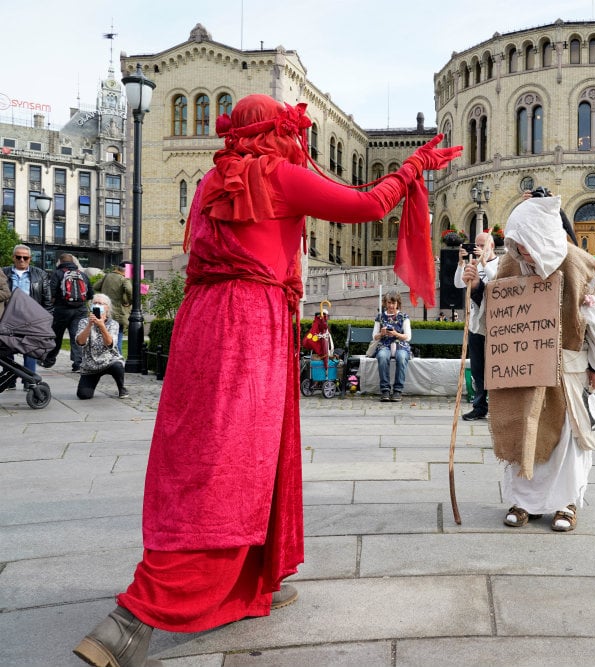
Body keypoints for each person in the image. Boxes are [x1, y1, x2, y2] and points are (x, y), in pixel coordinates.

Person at [73, 95, 460, 667]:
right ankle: (134, 618)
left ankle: (261, 574)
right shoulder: (281, 176)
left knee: (207, 450)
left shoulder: (210, 181)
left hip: (201, 322)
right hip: (249, 323)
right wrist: (413, 166)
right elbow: (367, 205)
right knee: (231, 459)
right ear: (276, 131)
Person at [486, 196, 595, 533]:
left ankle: (566, 503)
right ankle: (524, 501)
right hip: (525, 366)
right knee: (522, 430)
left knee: (564, 442)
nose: (523, 253)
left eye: (527, 245)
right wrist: (475, 286)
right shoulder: (509, 265)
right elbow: (492, 316)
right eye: (517, 245)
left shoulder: (578, 266)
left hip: (568, 372)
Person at [455, 231, 499, 420]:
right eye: (477, 245)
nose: (479, 248)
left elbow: (498, 283)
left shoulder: (500, 264)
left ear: (492, 246)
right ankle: (479, 405)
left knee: (496, 368)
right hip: (476, 324)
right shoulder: (472, 263)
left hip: (496, 325)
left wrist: (483, 264)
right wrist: (461, 264)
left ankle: (498, 406)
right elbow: (459, 284)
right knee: (478, 367)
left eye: (483, 245)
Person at [3, 244, 53, 386]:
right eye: (18, 257)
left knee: (30, 349)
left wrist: (47, 322)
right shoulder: (4, 273)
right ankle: (9, 381)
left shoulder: (40, 274)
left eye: (25, 257)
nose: (22, 260)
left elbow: (47, 300)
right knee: (6, 349)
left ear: (30, 259)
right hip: (8, 316)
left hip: (31, 318)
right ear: (13, 257)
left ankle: (29, 380)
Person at [41, 252, 93, 372]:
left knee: (56, 336)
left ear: (60, 262)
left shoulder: (58, 273)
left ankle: (49, 360)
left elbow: (51, 292)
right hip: (80, 310)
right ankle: (78, 363)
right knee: (77, 336)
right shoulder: (82, 275)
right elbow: (90, 294)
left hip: (61, 310)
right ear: (74, 262)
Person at [74, 293, 128, 399]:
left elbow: (110, 344)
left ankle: (121, 387)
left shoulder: (113, 324)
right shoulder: (84, 322)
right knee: (83, 395)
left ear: (107, 308)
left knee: (117, 366)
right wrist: (90, 324)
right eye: (95, 303)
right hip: (90, 365)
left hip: (109, 361)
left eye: (101, 303)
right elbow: (80, 342)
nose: (97, 305)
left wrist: (102, 325)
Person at [373, 291, 412, 402]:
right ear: (385, 303)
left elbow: (408, 337)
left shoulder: (404, 317)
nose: (391, 306)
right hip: (384, 344)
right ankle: (385, 390)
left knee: (402, 357)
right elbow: (374, 336)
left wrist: (395, 334)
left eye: (393, 303)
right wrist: (382, 334)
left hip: (401, 345)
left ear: (397, 304)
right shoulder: (380, 317)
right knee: (382, 356)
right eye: (389, 303)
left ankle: (398, 390)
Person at [93, 262, 133, 352]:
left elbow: (96, 286)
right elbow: (130, 290)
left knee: (105, 334)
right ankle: (118, 359)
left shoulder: (107, 276)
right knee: (118, 336)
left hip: (105, 312)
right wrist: (130, 302)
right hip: (118, 313)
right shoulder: (124, 279)